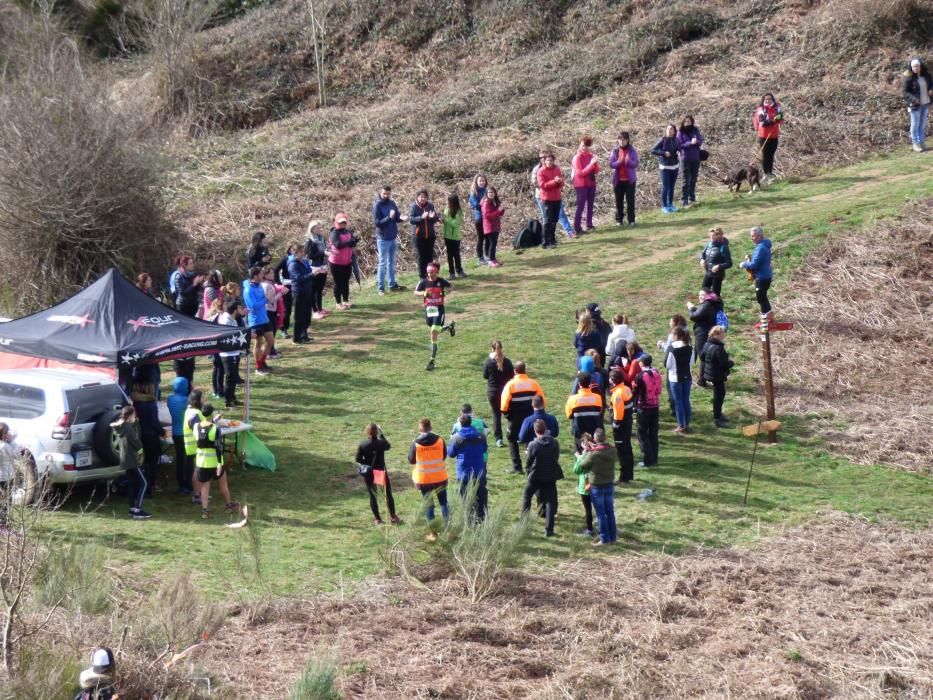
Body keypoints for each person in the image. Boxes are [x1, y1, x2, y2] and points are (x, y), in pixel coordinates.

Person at [500, 361, 546, 474]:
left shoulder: (510, 385)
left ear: (514, 371)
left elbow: (504, 405)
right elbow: (542, 400)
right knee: (530, 439)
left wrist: (507, 415)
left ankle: (517, 467)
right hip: (531, 416)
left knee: (511, 438)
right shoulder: (533, 383)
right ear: (525, 370)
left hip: (515, 417)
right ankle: (532, 466)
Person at [573, 429, 617, 545]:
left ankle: (604, 538)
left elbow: (582, 465)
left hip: (596, 486)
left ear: (595, 439)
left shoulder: (593, 454)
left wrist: (586, 451)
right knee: (610, 511)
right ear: (605, 438)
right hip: (609, 484)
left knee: (601, 513)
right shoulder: (613, 450)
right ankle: (613, 537)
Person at [195, 404, 239, 519]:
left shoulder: (196, 426)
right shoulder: (216, 428)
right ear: (212, 414)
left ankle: (205, 511)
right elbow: (218, 447)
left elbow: (204, 431)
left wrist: (213, 421)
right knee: (223, 484)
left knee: (205, 486)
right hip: (215, 463)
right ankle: (228, 507)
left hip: (201, 462)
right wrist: (220, 463)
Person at [522, 419, 562, 537]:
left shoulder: (533, 445)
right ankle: (549, 530)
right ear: (545, 429)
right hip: (550, 475)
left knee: (527, 496)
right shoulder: (554, 442)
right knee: (550, 501)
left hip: (535, 475)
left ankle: (523, 523)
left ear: (535, 431)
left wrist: (528, 471)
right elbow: (556, 457)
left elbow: (529, 461)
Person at [355, 423, 400, 525]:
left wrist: (366, 464)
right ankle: (393, 516)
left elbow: (357, 459)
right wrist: (382, 434)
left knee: (372, 495)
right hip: (380, 471)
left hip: (369, 472)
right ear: (376, 431)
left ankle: (378, 519)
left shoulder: (363, 444)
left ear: (367, 432)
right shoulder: (381, 443)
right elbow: (388, 446)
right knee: (388, 494)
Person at [414, 262, 456, 371]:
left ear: (437, 271)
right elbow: (415, 292)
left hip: (439, 309)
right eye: (428, 272)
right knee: (434, 329)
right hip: (429, 309)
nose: (430, 274)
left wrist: (445, 293)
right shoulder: (424, 282)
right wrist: (423, 293)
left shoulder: (441, 281)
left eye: (432, 272)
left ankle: (432, 361)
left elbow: (450, 287)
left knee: (433, 332)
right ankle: (449, 327)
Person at [407, 418, 449, 526]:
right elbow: (444, 456)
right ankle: (447, 526)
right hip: (440, 477)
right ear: (431, 427)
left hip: (424, 479)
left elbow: (411, 460)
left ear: (420, 429)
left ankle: (433, 531)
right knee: (444, 503)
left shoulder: (415, 443)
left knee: (429, 505)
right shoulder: (440, 440)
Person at [111, 407, 150, 520]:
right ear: (129, 416)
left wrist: (134, 422)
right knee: (144, 483)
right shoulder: (128, 428)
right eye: (133, 415)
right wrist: (141, 453)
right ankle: (138, 509)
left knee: (132, 483)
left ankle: (132, 508)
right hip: (132, 460)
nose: (135, 417)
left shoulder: (121, 427)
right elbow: (137, 443)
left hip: (125, 459)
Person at [447, 415, 488, 522]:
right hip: (479, 472)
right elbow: (484, 449)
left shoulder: (457, 438)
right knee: (481, 496)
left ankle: (468, 519)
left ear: (460, 424)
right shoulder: (481, 436)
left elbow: (451, 454)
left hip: (464, 473)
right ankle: (481, 518)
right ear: (471, 422)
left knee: (465, 497)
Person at [373, 185, 408, 294]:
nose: (386, 196)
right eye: (384, 193)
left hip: (393, 236)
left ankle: (392, 284)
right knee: (382, 263)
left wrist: (401, 218)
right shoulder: (377, 205)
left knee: (391, 262)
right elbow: (377, 223)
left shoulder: (392, 203)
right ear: (381, 192)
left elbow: (396, 217)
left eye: (388, 194)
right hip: (383, 238)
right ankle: (381, 287)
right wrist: (389, 217)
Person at [532, 151, 575, 239]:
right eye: (541, 158)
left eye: (545, 157)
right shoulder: (538, 169)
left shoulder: (556, 168)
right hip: (542, 196)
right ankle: (546, 239)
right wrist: (552, 183)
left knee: (560, 215)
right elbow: (537, 183)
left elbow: (560, 181)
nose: (543, 159)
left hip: (555, 196)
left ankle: (568, 232)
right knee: (546, 218)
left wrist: (559, 183)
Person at [687, 288, 723, 386]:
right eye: (699, 295)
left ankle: (702, 380)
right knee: (708, 355)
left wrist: (691, 308)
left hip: (702, 333)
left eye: (702, 295)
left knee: (703, 356)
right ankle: (710, 377)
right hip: (711, 331)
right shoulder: (717, 303)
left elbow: (694, 316)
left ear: (708, 296)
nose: (700, 297)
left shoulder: (707, 305)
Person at [131, 382, 162, 497]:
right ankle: (150, 485)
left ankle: (141, 484)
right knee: (152, 462)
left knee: (141, 461)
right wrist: (162, 432)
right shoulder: (151, 403)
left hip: (139, 434)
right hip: (151, 436)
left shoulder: (135, 402)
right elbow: (154, 422)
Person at [483, 340, 514, 448]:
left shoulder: (488, 362)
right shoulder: (508, 362)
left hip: (493, 392)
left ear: (492, 349)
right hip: (505, 392)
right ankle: (515, 434)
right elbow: (512, 376)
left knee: (496, 415)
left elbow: (485, 376)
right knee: (510, 414)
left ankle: (499, 439)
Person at [243, 266, 274, 375]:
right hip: (255, 321)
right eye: (261, 274)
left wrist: (264, 299)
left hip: (264, 318)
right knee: (258, 343)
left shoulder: (259, 285)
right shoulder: (248, 289)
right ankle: (258, 367)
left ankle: (262, 362)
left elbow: (261, 299)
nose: (263, 275)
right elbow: (253, 305)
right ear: (255, 276)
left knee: (271, 341)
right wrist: (265, 299)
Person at [633, 353, 662, 468]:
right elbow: (659, 390)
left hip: (644, 407)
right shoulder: (656, 373)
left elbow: (635, 391)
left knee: (642, 433)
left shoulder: (640, 375)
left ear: (642, 363)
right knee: (653, 433)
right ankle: (654, 457)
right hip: (655, 405)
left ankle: (647, 459)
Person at [738, 225, 773, 320]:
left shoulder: (760, 248)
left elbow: (754, 265)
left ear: (760, 236)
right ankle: (767, 316)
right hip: (766, 275)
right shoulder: (763, 245)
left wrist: (744, 264)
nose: (752, 238)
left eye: (753, 236)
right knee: (762, 297)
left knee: (760, 297)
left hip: (762, 277)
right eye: (751, 236)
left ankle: (766, 317)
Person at [565, 371, 604, 452]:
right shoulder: (597, 398)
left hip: (579, 433)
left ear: (579, 384)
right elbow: (599, 411)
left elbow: (569, 415)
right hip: (594, 433)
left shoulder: (572, 399)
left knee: (580, 457)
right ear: (589, 383)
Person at [665, 326, 694, 434]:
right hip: (687, 377)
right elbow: (692, 362)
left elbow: (667, 365)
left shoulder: (671, 348)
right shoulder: (690, 347)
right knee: (686, 400)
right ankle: (687, 424)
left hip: (675, 378)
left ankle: (681, 425)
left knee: (678, 402)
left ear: (676, 336)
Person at [167, 377, 192, 495]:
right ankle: (188, 484)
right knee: (189, 459)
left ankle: (181, 484)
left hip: (175, 433)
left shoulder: (170, 399)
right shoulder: (187, 400)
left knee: (180, 459)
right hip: (186, 433)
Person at [608, 369, 635, 483]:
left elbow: (618, 413)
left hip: (621, 426)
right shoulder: (627, 389)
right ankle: (630, 474)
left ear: (613, 381)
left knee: (622, 451)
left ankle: (624, 477)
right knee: (627, 448)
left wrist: (615, 425)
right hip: (628, 422)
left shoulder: (617, 394)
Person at [217, 300, 245, 407]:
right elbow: (229, 336)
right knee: (229, 378)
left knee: (233, 378)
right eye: (239, 308)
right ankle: (228, 401)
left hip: (234, 352)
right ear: (235, 310)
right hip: (227, 354)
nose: (240, 310)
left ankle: (233, 398)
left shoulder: (232, 319)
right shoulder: (226, 320)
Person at [571, 134, 600, 234]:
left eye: (587, 146)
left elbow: (596, 170)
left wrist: (595, 163)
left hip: (591, 183)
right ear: (580, 145)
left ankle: (589, 224)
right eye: (583, 145)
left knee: (590, 205)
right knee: (581, 205)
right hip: (581, 185)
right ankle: (577, 227)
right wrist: (591, 164)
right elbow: (580, 173)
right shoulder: (577, 158)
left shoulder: (590, 156)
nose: (584, 148)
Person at [328, 213, 357, 310]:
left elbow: (351, 241)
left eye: (344, 222)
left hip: (347, 261)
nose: (343, 224)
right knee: (338, 282)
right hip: (336, 262)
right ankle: (338, 303)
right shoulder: (334, 233)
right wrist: (350, 242)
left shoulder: (347, 231)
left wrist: (354, 241)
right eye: (341, 222)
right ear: (336, 222)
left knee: (345, 282)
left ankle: (345, 301)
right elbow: (338, 245)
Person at [609, 131, 639, 226]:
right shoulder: (615, 151)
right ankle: (619, 220)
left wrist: (628, 161)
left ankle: (631, 220)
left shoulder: (632, 151)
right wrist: (619, 162)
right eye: (620, 139)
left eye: (624, 139)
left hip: (629, 180)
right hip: (618, 181)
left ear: (628, 140)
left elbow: (636, 163)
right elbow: (611, 164)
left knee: (630, 201)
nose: (622, 141)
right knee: (619, 201)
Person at [903, 58, 932, 152]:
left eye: (917, 66)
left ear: (920, 66)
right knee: (915, 124)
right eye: (914, 66)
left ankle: (922, 142)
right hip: (915, 105)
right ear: (911, 68)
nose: (916, 68)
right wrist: (914, 99)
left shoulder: (925, 75)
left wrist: (931, 89)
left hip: (925, 103)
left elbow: (931, 84)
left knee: (922, 124)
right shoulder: (909, 77)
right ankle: (915, 143)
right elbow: (905, 92)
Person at [536, 152, 564, 248]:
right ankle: (545, 242)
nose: (549, 162)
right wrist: (554, 181)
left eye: (551, 160)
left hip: (557, 198)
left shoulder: (557, 169)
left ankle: (552, 239)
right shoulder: (541, 171)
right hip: (547, 199)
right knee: (547, 220)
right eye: (548, 160)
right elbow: (543, 185)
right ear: (544, 161)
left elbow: (561, 184)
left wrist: (559, 182)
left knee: (554, 220)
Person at [753, 93, 784, 180]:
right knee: (765, 155)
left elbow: (781, 117)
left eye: (769, 99)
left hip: (774, 134)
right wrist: (774, 120)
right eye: (766, 99)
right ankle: (765, 173)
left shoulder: (776, 108)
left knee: (771, 155)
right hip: (763, 135)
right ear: (763, 100)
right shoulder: (761, 110)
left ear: (772, 99)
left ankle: (770, 173)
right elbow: (763, 123)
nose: (768, 100)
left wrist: (776, 119)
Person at [409, 190, 438, 279]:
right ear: (417, 198)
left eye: (424, 197)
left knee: (429, 256)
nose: (423, 199)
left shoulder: (430, 205)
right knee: (421, 256)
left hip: (430, 235)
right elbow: (411, 219)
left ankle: (430, 274)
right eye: (421, 197)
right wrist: (421, 217)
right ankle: (422, 276)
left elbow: (435, 219)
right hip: (419, 236)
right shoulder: (414, 206)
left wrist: (433, 217)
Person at [287, 244, 314, 344]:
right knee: (299, 316)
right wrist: (311, 274)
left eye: (303, 251)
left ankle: (304, 335)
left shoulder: (304, 261)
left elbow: (309, 271)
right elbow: (298, 278)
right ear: (295, 253)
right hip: (298, 292)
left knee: (307, 315)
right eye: (301, 251)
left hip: (307, 290)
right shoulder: (293, 264)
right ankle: (296, 338)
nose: (303, 253)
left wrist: (313, 273)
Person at [651, 124, 680, 213]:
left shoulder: (676, 140)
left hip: (675, 166)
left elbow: (680, 148)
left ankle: (670, 204)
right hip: (664, 167)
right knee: (665, 187)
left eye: (671, 129)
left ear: (674, 131)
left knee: (671, 187)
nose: (669, 130)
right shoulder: (662, 140)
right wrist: (663, 153)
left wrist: (679, 151)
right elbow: (653, 150)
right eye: (668, 129)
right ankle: (664, 206)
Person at [676, 115, 704, 208]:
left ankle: (692, 198)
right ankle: (684, 200)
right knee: (685, 179)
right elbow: (679, 145)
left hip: (695, 158)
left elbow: (700, 141)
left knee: (693, 179)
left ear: (692, 122)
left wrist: (697, 142)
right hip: (685, 158)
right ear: (683, 122)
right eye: (686, 121)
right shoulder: (680, 132)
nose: (687, 123)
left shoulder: (695, 130)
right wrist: (689, 143)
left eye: (689, 121)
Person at [304, 220, 330, 320]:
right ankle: (314, 311)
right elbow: (310, 255)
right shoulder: (310, 241)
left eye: (320, 227)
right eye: (318, 228)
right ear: (313, 229)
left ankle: (320, 308)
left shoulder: (321, 238)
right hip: (314, 268)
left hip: (323, 266)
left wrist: (328, 251)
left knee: (320, 289)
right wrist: (323, 253)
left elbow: (324, 250)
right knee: (313, 290)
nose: (320, 229)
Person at [183, 390, 205, 504]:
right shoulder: (195, 413)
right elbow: (198, 430)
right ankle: (197, 495)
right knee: (198, 471)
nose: (204, 400)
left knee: (197, 470)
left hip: (191, 445)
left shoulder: (189, 410)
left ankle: (200, 493)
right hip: (196, 446)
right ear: (197, 400)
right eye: (202, 398)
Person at [699, 226, 733, 296]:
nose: (711, 237)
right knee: (704, 292)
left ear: (719, 235)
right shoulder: (709, 244)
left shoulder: (723, 247)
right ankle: (705, 306)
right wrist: (701, 259)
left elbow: (729, 263)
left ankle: (717, 306)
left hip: (717, 275)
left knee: (715, 295)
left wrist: (719, 266)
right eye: (710, 235)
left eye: (713, 235)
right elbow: (702, 254)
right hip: (708, 272)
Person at [0, 422, 22, 526]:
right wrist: (13, 441)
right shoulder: (4, 446)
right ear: (4, 434)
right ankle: (4, 524)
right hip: (6, 477)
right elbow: (17, 455)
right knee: (6, 501)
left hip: (2, 476)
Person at [274, 241, 297, 338]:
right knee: (286, 309)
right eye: (293, 249)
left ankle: (299, 327)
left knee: (294, 308)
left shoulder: (299, 259)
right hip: (287, 286)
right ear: (289, 249)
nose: (295, 251)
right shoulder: (286, 259)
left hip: (296, 285)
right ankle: (284, 329)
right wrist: (279, 284)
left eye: (296, 249)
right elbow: (276, 270)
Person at [480, 186, 505, 267]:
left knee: (494, 243)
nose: (491, 194)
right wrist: (498, 211)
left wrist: (502, 210)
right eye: (489, 192)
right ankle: (491, 260)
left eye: (492, 192)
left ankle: (493, 259)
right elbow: (487, 215)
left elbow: (499, 214)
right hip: (489, 226)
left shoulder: (494, 201)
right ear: (486, 193)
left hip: (495, 225)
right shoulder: (486, 202)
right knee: (492, 243)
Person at [442, 192, 466, 278]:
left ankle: (459, 271)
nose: (448, 203)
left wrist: (445, 219)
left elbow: (455, 223)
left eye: (449, 201)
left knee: (456, 254)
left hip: (455, 237)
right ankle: (451, 273)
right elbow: (444, 220)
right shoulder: (446, 209)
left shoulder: (459, 211)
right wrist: (441, 219)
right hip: (447, 236)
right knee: (449, 255)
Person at [260, 266, 282, 359]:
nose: (273, 275)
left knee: (273, 331)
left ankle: (271, 350)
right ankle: (269, 352)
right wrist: (281, 293)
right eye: (270, 273)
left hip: (272, 310)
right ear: (265, 275)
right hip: (268, 310)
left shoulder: (269, 284)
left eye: (273, 273)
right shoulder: (266, 285)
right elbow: (271, 300)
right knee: (271, 332)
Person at [469, 174, 489, 264]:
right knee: (481, 238)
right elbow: (476, 205)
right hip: (479, 218)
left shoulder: (487, 191)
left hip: (488, 217)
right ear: (476, 182)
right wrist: (484, 202)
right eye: (480, 181)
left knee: (488, 237)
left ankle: (488, 255)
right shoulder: (474, 192)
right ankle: (480, 258)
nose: (481, 182)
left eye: (483, 181)